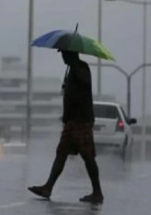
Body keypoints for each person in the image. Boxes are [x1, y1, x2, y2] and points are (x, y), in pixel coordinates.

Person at [28, 50, 104, 204]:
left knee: (88, 157)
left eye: (64, 53)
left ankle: (97, 192)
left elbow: (84, 82)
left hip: (81, 120)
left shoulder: (80, 67)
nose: (62, 56)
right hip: (71, 121)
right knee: (61, 153)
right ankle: (48, 187)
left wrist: (75, 71)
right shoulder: (72, 70)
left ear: (71, 54)